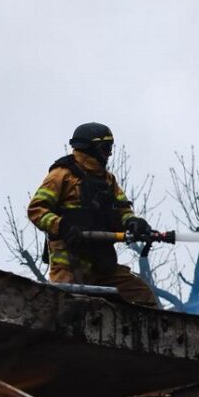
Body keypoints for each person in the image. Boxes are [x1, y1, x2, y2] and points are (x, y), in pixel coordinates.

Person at [27, 122, 159, 307]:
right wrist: (63, 226)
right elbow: (36, 210)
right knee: (66, 309)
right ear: (89, 147)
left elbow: (123, 210)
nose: (109, 154)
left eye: (110, 148)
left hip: (102, 264)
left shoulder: (108, 180)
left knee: (140, 294)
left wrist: (132, 222)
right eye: (105, 148)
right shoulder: (62, 174)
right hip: (69, 266)